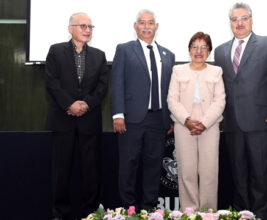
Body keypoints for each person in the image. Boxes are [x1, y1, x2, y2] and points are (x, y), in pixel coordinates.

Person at [214, 3, 267, 220]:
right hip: (233, 123)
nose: (240, 23)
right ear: (230, 23)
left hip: (260, 120)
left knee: (261, 173)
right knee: (238, 173)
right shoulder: (220, 51)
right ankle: (242, 214)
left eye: (244, 18)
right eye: (235, 19)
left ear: (251, 20)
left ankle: (262, 214)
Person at [45, 12, 109, 219]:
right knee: (61, 172)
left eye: (90, 26)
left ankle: (89, 214)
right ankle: (59, 214)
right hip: (63, 120)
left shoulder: (99, 55)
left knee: (91, 173)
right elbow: (52, 82)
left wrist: (86, 104)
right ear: (70, 28)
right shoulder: (56, 51)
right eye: (82, 26)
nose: (87, 30)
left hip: (89, 121)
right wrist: (69, 104)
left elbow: (102, 87)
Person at [110, 9, 175, 211]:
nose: (146, 26)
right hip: (131, 119)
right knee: (128, 166)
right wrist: (118, 114)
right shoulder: (124, 49)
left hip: (158, 120)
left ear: (156, 27)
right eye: (142, 22)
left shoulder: (168, 55)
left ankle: (149, 209)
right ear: (135, 26)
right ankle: (129, 208)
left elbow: (170, 90)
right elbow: (117, 83)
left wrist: (170, 118)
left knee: (154, 167)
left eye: (150, 23)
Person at [167, 32, 226, 211]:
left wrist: (204, 123)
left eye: (204, 47)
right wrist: (187, 120)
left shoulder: (216, 71)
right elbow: (172, 100)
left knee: (209, 171)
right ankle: (190, 211)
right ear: (189, 50)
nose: (199, 51)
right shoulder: (178, 71)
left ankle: (208, 212)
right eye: (195, 47)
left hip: (210, 126)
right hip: (184, 124)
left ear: (209, 52)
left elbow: (220, 101)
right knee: (187, 171)